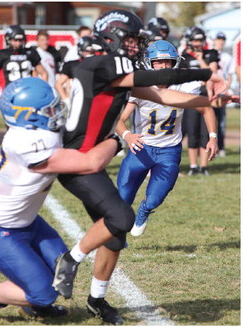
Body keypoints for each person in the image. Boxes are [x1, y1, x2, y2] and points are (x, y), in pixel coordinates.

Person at [33, 9, 231, 325]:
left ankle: (95, 299)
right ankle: (67, 261)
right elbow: (161, 78)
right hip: (76, 160)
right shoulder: (105, 64)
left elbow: (164, 95)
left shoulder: (111, 70)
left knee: (115, 232)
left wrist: (209, 102)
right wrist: (207, 74)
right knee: (120, 217)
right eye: (131, 39)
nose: (136, 46)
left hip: (93, 160)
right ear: (112, 36)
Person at [0, 77, 120, 318]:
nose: (56, 112)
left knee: (60, 269)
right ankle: (18, 297)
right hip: (0, 229)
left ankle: (30, 301)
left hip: (27, 221)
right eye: (49, 109)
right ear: (29, 115)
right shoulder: (29, 142)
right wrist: (117, 140)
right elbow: (90, 162)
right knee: (44, 292)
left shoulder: (32, 132)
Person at [116, 40, 219, 237]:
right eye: (158, 62)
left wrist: (213, 137)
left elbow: (206, 107)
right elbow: (119, 119)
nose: (163, 67)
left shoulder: (186, 86)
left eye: (168, 62)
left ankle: (145, 210)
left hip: (168, 151)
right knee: (122, 199)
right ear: (149, 63)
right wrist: (127, 135)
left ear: (175, 64)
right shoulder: (140, 86)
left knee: (155, 199)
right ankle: (117, 234)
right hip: (140, 149)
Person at [180, 26, 220, 176]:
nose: (198, 43)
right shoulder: (184, 56)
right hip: (191, 98)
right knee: (192, 131)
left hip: (207, 98)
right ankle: (192, 166)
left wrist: (200, 60)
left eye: (200, 40)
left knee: (205, 133)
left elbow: (212, 74)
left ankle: (203, 166)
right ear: (190, 41)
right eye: (195, 40)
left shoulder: (211, 54)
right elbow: (182, 78)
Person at [0, 25, 48, 100]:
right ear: (8, 40)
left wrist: (41, 90)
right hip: (10, 94)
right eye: (15, 40)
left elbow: (44, 73)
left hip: (28, 93)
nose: (18, 43)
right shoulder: (2, 54)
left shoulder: (30, 52)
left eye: (20, 40)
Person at [212, 31, 235, 157]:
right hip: (210, 92)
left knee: (221, 121)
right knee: (209, 119)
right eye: (218, 39)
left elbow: (230, 75)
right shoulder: (209, 54)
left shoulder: (227, 57)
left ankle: (221, 147)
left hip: (221, 93)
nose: (221, 41)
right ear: (214, 40)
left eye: (223, 39)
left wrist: (226, 88)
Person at [55, 36, 94, 102]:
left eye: (90, 51)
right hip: (76, 99)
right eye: (86, 51)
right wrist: (66, 99)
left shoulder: (97, 64)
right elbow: (59, 84)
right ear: (80, 50)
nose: (88, 54)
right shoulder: (72, 65)